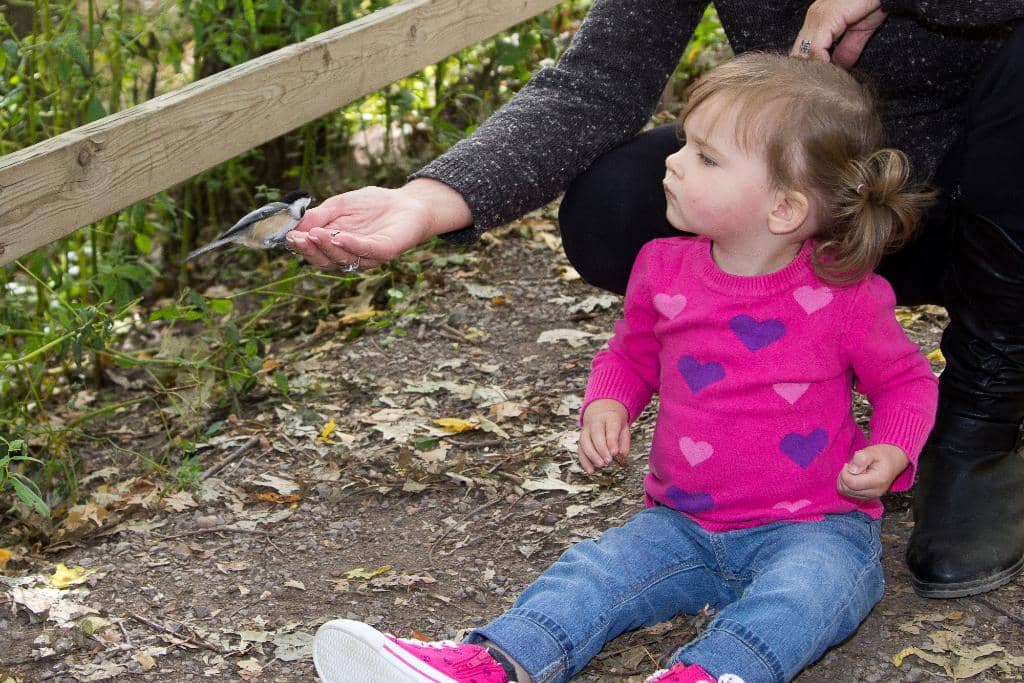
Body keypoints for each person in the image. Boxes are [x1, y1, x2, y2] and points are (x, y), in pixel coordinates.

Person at [289, 1, 1024, 597]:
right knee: (610, 204)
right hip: (795, 201)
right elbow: (594, 84)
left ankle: (979, 429)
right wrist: (428, 200)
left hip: (982, 198)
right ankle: (761, 371)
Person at [311, 52, 939, 683]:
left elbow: (905, 383)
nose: (673, 160)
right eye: (686, 142)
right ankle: (491, 663)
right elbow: (631, 354)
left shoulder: (845, 297)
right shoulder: (663, 269)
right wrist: (608, 403)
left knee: (810, 596)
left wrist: (892, 449)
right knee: (593, 573)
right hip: (680, 522)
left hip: (817, 524)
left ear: (784, 209)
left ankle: (708, 674)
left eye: (705, 157)